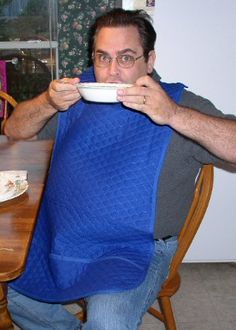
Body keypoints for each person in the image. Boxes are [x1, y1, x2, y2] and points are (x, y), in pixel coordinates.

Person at [4, 8, 236, 330]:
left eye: (125, 58)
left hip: (135, 248)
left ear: (149, 61)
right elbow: (14, 131)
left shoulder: (176, 102)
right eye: (102, 58)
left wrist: (173, 116)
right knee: (11, 289)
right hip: (65, 233)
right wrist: (47, 102)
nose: (111, 72)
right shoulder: (77, 94)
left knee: (107, 321)